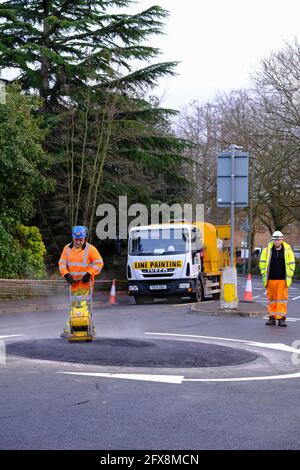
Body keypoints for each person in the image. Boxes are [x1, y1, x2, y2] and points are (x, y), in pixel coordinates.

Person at [58, 226, 104, 335]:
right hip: (73, 284)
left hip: (85, 284)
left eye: (80, 240)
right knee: (74, 306)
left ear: (85, 238)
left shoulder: (91, 249)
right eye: (76, 239)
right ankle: (89, 327)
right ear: (73, 238)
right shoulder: (66, 249)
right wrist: (66, 274)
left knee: (81, 305)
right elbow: (62, 263)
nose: (78, 242)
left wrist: (89, 273)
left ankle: (72, 328)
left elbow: (99, 263)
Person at [259, 231, 295, 327]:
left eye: (278, 239)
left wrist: (290, 274)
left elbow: (292, 264)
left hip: (283, 279)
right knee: (272, 300)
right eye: (275, 239)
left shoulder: (288, 250)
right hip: (270, 279)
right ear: (273, 240)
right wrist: (263, 274)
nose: (277, 241)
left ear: (282, 239)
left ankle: (281, 319)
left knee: (282, 300)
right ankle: (272, 318)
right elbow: (262, 263)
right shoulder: (267, 250)